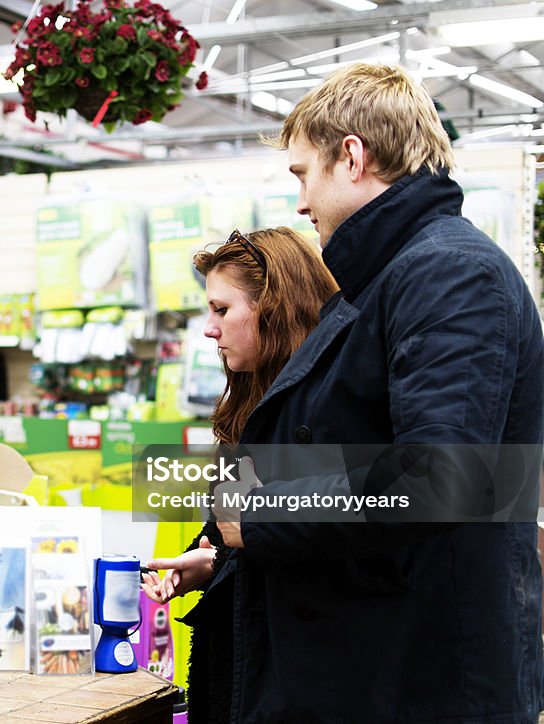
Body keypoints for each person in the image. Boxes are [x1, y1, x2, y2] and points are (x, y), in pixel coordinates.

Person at [158, 63, 544, 722]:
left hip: (418, 681)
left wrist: (260, 517)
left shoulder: (447, 274)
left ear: (353, 157)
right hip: (374, 667)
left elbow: (441, 479)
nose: (301, 203)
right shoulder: (389, 278)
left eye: (302, 174)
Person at [142, 227, 338, 724]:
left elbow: (334, 532)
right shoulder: (247, 405)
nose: (208, 329)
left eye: (222, 310)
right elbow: (230, 526)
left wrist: (241, 537)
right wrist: (207, 561)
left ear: (275, 306)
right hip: (237, 659)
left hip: (295, 674)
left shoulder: (329, 412)